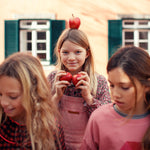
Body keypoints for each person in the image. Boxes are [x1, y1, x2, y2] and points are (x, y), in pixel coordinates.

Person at [47, 27, 111, 150]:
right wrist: (56, 97)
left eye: (77, 52)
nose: (71, 58)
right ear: (59, 52)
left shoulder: (99, 82)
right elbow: (41, 115)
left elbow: (106, 120)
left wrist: (88, 97)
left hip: (88, 145)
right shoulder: (52, 78)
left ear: (87, 53)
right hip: (57, 144)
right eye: (65, 52)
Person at [80, 45, 150, 150]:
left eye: (124, 87)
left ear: (146, 86)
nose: (115, 94)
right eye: (112, 85)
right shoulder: (99, 118)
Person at [0, 52, 66, 150]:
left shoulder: (51, 129)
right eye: (0, 94)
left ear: (34, 94)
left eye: (12, 96)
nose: (3, 102)